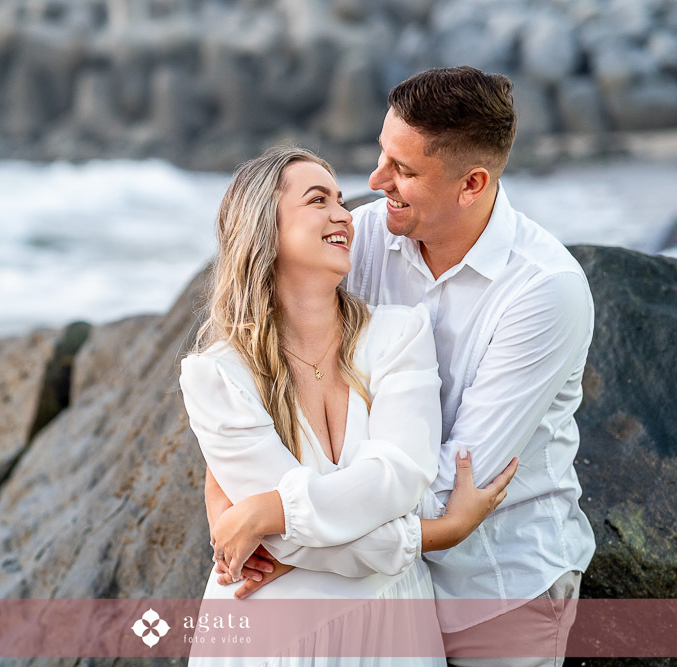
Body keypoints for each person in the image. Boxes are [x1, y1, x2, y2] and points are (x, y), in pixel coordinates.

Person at [204, 67, 596, 666]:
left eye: (403, 170)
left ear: (471, 184)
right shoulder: (359, 238)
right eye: (382, 153)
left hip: (492, 586)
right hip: (371, 588)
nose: (374, 180)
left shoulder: (543, 292)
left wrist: (289, 540)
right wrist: (229, 513)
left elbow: (451, 487)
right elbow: (256, 378)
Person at [179, 145, 517, 667]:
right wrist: (435, 534)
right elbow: (284, 547)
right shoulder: (217, 375)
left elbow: (399, 478)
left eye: (340, 199)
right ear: (265, 227)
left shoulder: (399, 335)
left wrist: (274, 511)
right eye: (319, 200)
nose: (344, 214)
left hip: (393, 628)